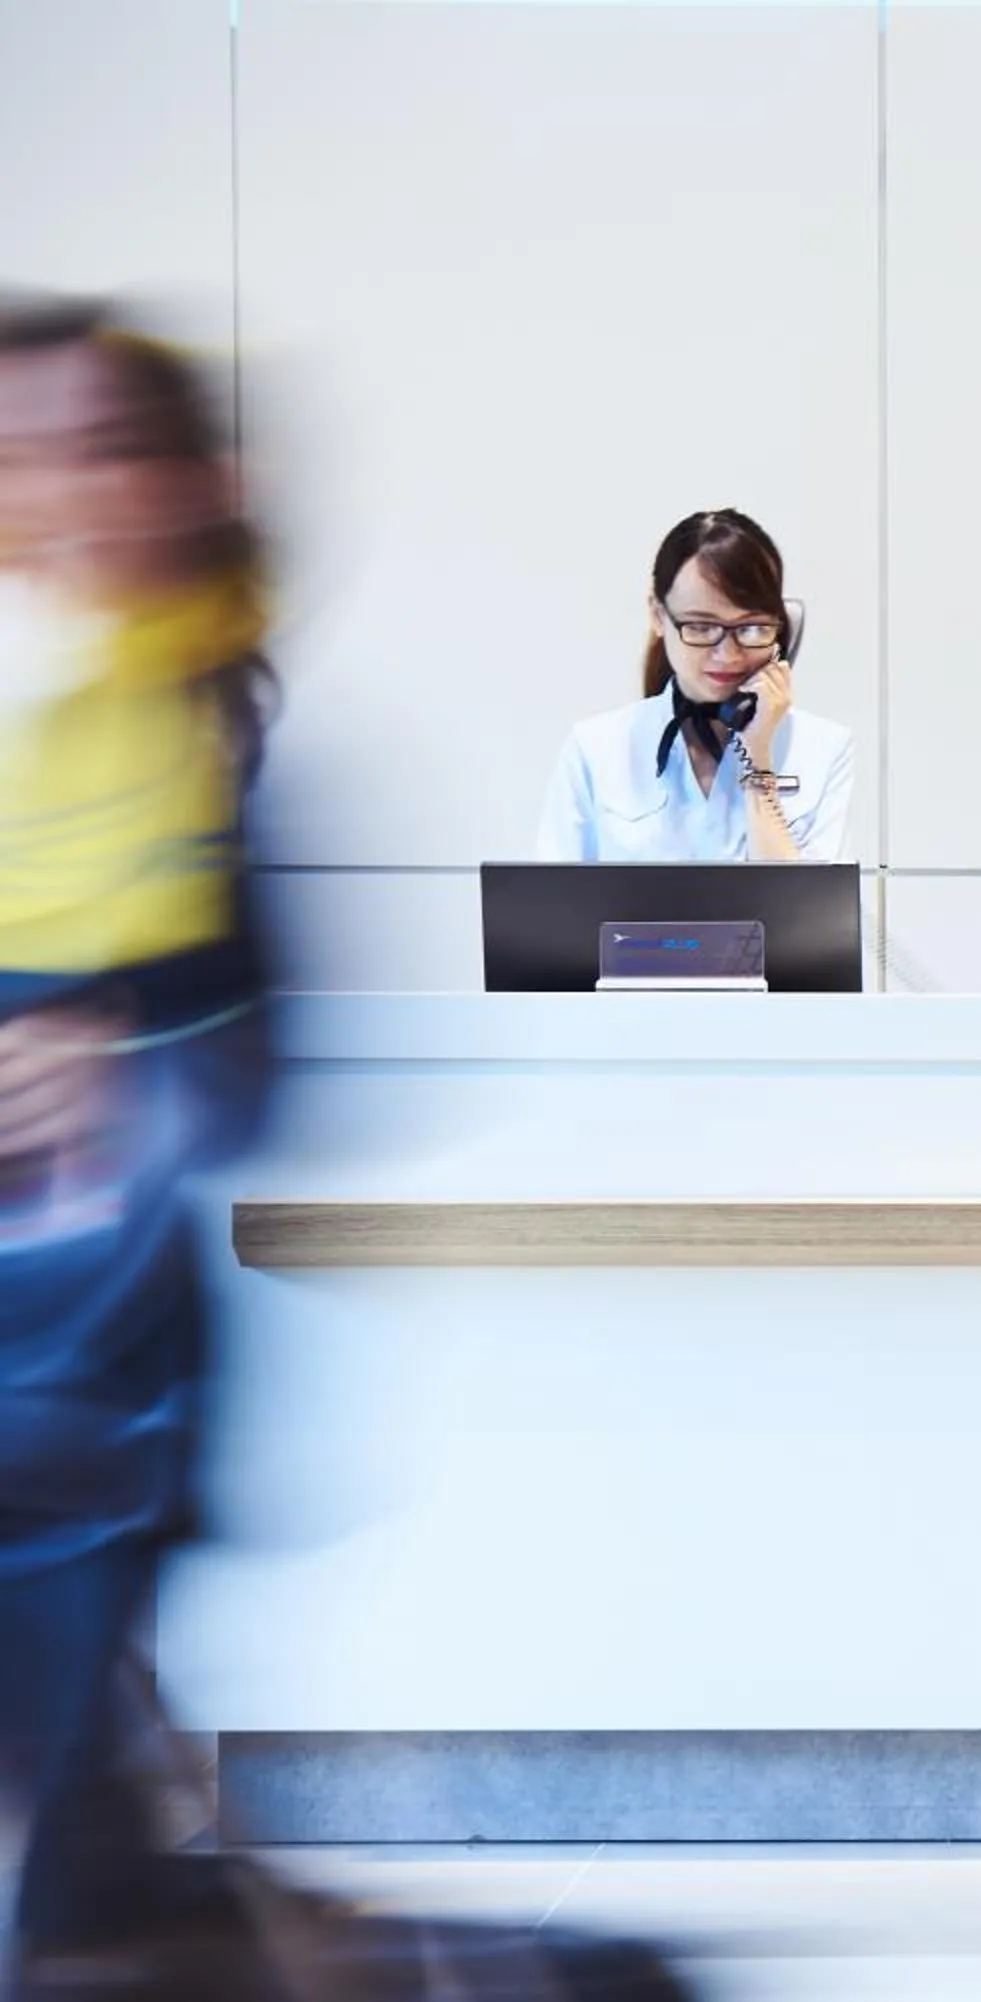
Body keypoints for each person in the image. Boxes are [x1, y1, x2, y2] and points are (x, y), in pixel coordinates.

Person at [0, 296, 279, 1968]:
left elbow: (255, 1058)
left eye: (95, 449)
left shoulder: (195, 725)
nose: (53, 490)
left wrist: (123, 1059)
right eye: (16, 455)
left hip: (82, 1401)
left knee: (73, 1883)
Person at [536, 508, 853, 861]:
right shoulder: (595, 748)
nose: (728, 654)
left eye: (751, 628)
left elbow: (804, 910)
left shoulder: (824, 748)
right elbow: (554, 907)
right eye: (701, 627)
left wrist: (759, 765)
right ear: (658, 616)